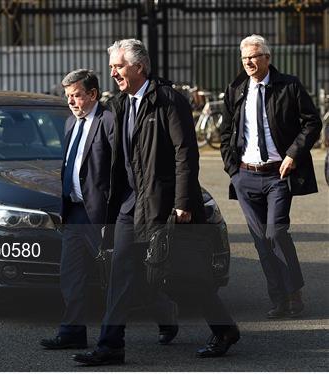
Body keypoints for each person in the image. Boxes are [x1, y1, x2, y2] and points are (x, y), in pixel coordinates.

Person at [72, 39, 239, 366]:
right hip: (130, 204)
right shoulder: (120, 103)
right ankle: (111, 345)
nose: (113, 72)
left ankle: (224, 330)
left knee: (180, 275)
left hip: (164, 204)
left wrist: (182, 202)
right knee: (119, 274)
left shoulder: (167, 100)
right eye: (111, 67)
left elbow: (185, 153)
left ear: (139, 67)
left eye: (118, 66)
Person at [220, 35, 321, 319]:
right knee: (260, 240)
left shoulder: (289, 85)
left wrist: (292, 155)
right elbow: (226, 132)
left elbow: (312, 122)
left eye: (253, 57)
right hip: (245, 176)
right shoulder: (236, 89)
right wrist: (233, 169)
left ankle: (294, 291)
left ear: (267, 57)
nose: (248, 62)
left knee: (275, 232)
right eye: (244, 58)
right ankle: (278, 298)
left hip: (278, 174)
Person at [39, 69, 114, 349]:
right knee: (71, 275)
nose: (71, 101)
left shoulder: (108, 121)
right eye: (68, 96)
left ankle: (164, 312)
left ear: (93, 94)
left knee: (115, 274)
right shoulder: (71, 122)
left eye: (77, 95)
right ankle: (72, 333)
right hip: (74, 210)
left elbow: (118, 169)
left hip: (100, 214)